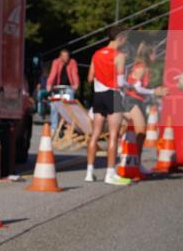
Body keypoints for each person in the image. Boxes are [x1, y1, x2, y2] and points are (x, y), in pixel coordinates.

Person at [86, 26, 132, 185]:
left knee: (95, 134)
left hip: (98, 95)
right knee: (113, 135)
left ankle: (89, 172)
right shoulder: (119, 55)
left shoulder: (96, 54)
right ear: (120, 38)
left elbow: (90, 78)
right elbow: (121, 82)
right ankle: (110, 174)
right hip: (113, 94)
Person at [120, 42, 168, 173]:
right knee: (140, 132)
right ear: (148, 55)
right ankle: (130, 161)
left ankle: (137, 162)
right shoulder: (141, 68)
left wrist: (156, 90)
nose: (156, 56)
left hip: (138, 101)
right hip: (132, 100)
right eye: (154, 53)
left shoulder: (146, 69)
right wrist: (154, 92)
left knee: (141, 134)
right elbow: (137, 88)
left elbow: (142, 88)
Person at [46, 49, 79, 135]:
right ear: (60, 57)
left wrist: (76, 84)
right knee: (54, 106)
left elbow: (74, 73)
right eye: (64, 56)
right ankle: (54, 128)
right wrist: (49, 84)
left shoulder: (72, 62)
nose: (66, 58)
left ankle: (69, 125)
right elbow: (53, 73)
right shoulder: (56, 62)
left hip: (68, 87)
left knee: (70, 103)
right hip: (57, 87)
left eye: (67, 56)